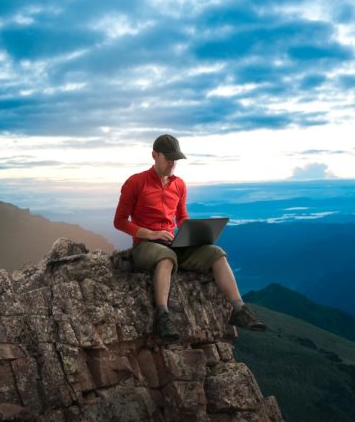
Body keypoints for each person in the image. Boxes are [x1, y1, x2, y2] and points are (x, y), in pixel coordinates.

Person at [113, 134, 267, 341]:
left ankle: (240, 310)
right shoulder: (135, 182)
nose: (172, 163)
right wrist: (150, 233)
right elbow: (120, 221)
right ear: (154, 155)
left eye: (175, 159)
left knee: (217, 253)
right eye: (168, 158)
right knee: (166, 258)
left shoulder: (179, 185)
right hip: (146, 245)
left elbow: (181, 217)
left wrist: (194, 233)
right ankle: (163, 316)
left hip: (173, 243)